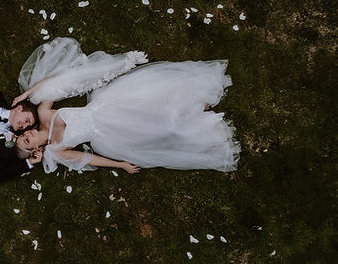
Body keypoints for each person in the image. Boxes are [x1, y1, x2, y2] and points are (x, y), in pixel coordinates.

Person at [12, 37, 240, 174]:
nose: (27, 132)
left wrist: (28, 94)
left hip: (104, 107)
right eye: (26, 139)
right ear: (34, 149)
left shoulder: (44, 113)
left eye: (23, 133)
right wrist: (119, 164)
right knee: (161, 126)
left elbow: (55, 83)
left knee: (152, 97)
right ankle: (201, 124)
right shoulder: (56, 151)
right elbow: (88, 159)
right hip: (108, 132)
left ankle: (196, 101)